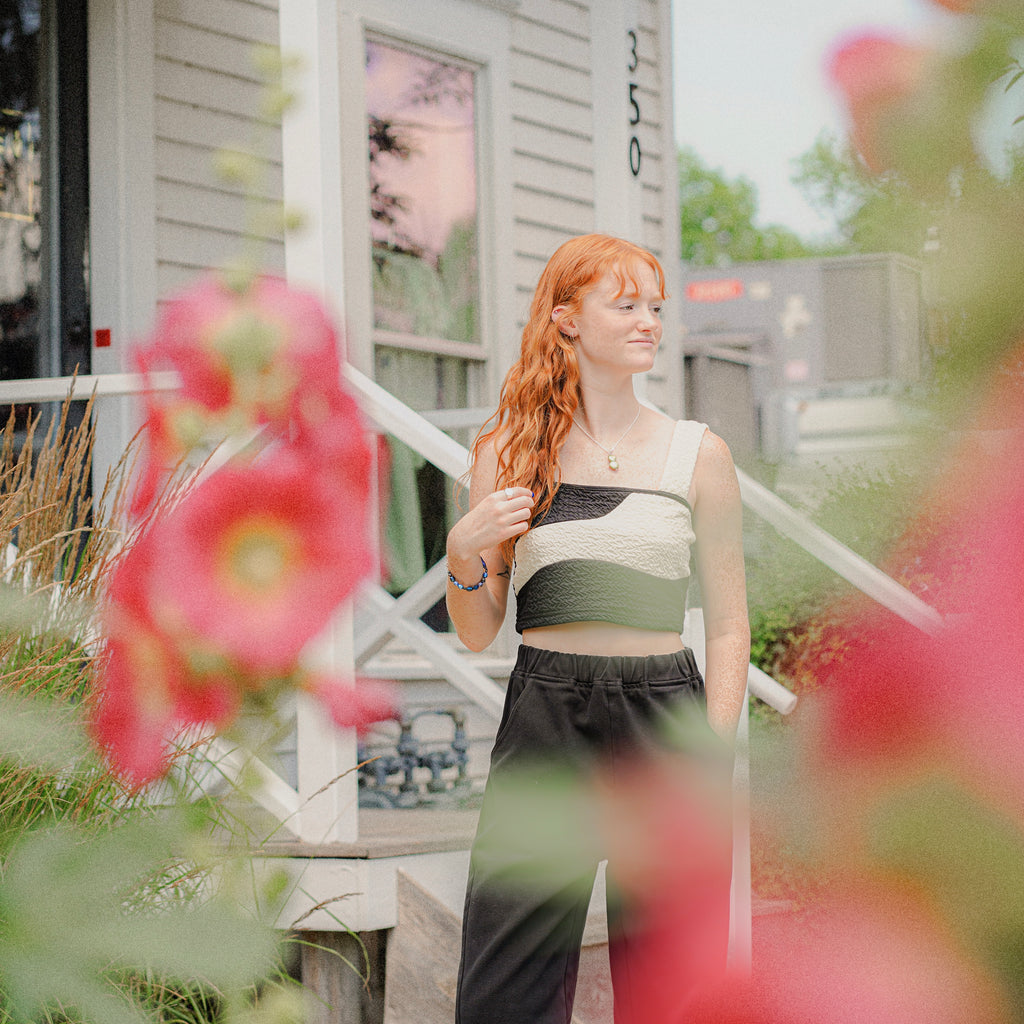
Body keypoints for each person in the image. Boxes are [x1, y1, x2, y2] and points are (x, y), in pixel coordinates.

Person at [445, 233, 749, 1024]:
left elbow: (727, 626)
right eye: (627, 305)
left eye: (655, 305)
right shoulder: (507, 452)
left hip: (665, 716)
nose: (649, 321)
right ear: (568, 319)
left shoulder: (698, 456)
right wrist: (462, 546)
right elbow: (477, 632)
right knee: (503, 986)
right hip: (546, 713)